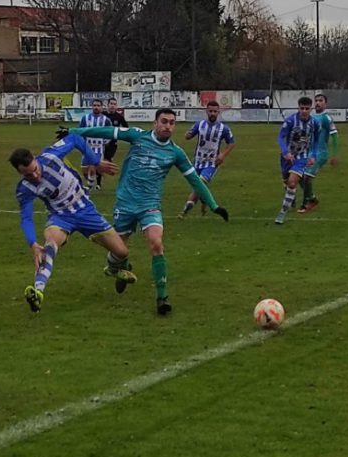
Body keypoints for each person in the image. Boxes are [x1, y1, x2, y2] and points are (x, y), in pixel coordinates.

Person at [66, 108, 229, 315]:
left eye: (172, 122)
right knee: (118, 251)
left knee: (156, 243)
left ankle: (162, 298)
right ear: (155, 123)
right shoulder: (137, 136)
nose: (167, 126)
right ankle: (120, 268)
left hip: (149, 205)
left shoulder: (175, 153)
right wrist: (74, 131)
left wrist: (214, 205)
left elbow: (194, 180)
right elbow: (107, 132)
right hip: (125, 203)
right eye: (164, 121)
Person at [10, 134, 137, 313]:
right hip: (61, 217)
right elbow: (26, 218)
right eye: (28, 175)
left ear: (35, 159)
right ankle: (38, 292)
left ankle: (113, 269)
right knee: (49, 246)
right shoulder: (24, 189)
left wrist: (96, 162)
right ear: (20, 173)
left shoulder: (52, 156)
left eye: (35, 170)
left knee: (122, 252)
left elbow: (76, 138)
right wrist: (32, 244)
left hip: (86, 210)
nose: (36, 176)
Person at [179, 100, 235, 218]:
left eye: (215, 111)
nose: (213, 113)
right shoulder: (199, 125)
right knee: (200, 186)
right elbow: (188, 135)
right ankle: (204, 202)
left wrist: (223, 155)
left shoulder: (223, 128)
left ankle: (185, 210)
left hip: (212, 163)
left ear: (218, 112)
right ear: (207, 111)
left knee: (200, 183)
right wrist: (188, 135)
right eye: (210, 111)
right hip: (198, 161)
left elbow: (231, 143)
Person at [275, 96, 319, 225]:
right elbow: (280, 137)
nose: (304, 111)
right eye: (302, 108)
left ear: (311, 109)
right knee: (287, 182)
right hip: (286, 157)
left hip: (302, 157)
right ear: (298, 108)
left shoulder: (315, 123)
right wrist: (285, 152)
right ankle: (296, 197)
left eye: (307, 108)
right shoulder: (290, 121)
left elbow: (316, 140)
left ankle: (282, 213)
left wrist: (313, 155)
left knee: (292, 182)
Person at [298, 93, 338, 213]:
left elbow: (335, 136)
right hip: (309, 152)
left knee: (307, 177)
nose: (318, 103)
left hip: (321, 153)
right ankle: (313, 198)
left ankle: (305, 204)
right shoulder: (311, 117)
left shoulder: (326, 118)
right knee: (299, 175)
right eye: (316, 100)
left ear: (325, 104)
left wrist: (334, 154)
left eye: (320, 101)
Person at [78, 99, 112, 190]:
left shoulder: (106, 120)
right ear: (92, 107)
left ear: (101, 107)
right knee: (84, 169)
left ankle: (89, 186)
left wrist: (105, 141)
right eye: (94, 105)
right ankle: (91, 181)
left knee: (93, 166)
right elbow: (80, 131)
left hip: (98, 148)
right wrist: (81, 142)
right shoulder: (85, 118)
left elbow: (110, 132)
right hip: (87, 146)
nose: (96, 107)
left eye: (98, 105)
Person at [103, 97, 129, 163]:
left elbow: (126, 128)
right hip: (101, 142)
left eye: (114, 104)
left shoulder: (119, 117)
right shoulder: (102, 115)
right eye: (111, 104)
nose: (113, 106)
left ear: (116, 106)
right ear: (108, 105)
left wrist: (120, 133)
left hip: (112, 143)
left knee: (107, 161)